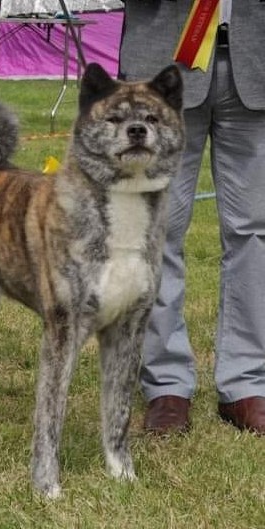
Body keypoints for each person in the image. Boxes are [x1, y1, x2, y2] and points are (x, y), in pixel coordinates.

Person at [119, 0, 265, 435]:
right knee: (158, 234)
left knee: (254, 232)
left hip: (255, 63)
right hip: (161, 63)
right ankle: (166, 384)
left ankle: (248, 382)